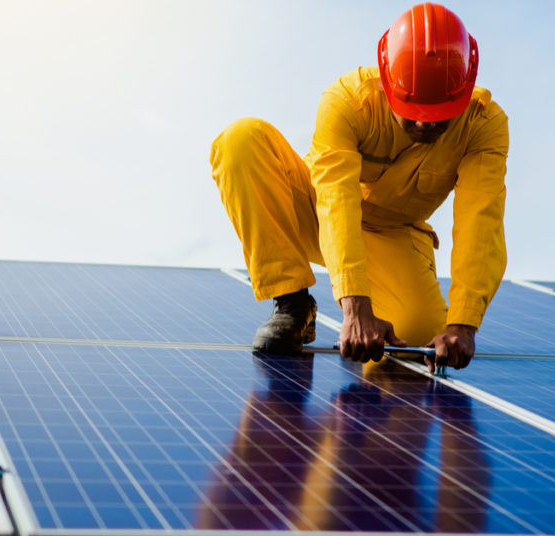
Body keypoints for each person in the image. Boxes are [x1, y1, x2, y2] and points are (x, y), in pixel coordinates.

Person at [210, 3, 508, 371]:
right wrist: (356, 307)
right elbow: (335, 199)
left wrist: (464, 323)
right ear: (387, 81)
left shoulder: (485, 125)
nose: (426, 126)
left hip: (394, 235)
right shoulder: (347, 101)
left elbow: (481, 222)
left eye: (439, 116)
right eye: (412, 112)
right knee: (241, 140)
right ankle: (292, 305)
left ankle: (383, 312)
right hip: (317, 213)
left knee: (416, 337)